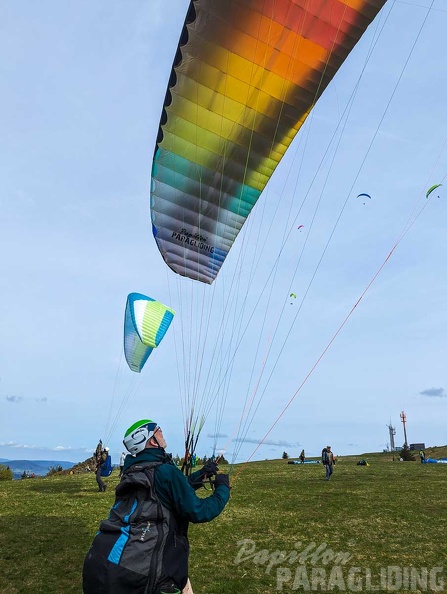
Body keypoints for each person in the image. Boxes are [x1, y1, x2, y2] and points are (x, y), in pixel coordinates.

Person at [83, 419, 230, 594]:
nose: (162, 432)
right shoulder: (165, 471)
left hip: (103, 563)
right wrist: (222, 490)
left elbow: (170, 492)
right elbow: (198, 511)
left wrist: (203, 474)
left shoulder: (133, 471)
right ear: (152, 440)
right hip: (138, 572)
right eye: (158, 430)